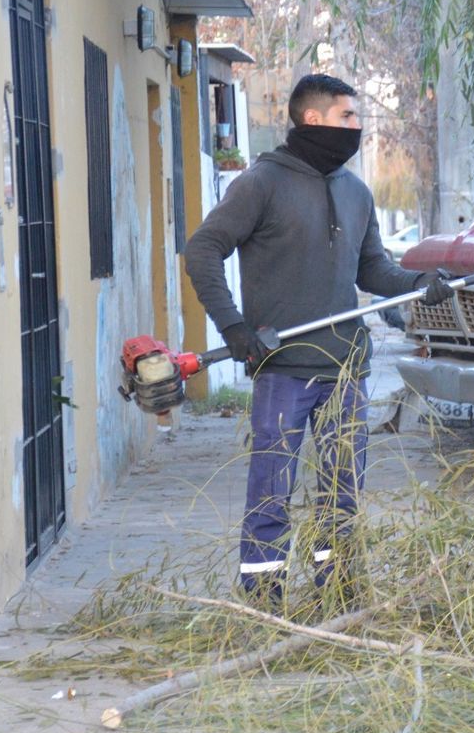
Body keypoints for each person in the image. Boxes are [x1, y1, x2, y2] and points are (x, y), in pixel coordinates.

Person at [185, 73, 453, 611]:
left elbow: (374, 268)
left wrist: (419, 284)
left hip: (346, 369)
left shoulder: (355, 192)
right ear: (313, 119)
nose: (358, 126)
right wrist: (235, 329)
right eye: (348, 116)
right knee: (271, 491)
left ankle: (340, 595)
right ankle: (265, 600)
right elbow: (202, 250)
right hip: (284, 368)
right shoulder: (262, 183)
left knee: (342, 494)